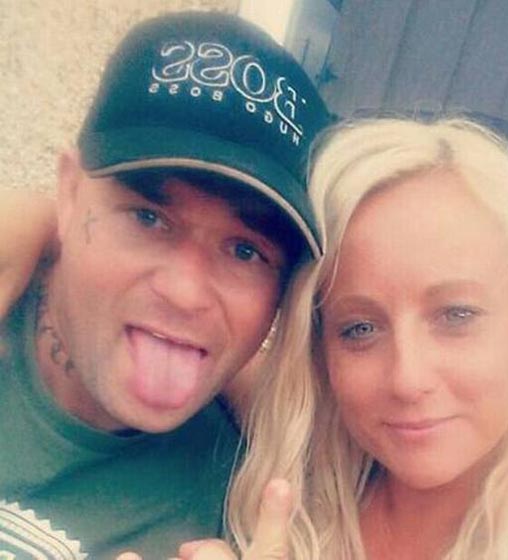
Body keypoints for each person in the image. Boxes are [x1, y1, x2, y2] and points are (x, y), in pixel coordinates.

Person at [0, 10, 329, 560]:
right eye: (148, 217)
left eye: (245, 251)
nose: (184, 292)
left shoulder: (256, 505)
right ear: (68, 193)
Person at [174, 117, 508, 560]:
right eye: (360, 328)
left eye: (457, 315)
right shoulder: (305, 479)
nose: (407, 380)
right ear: (320, 355)